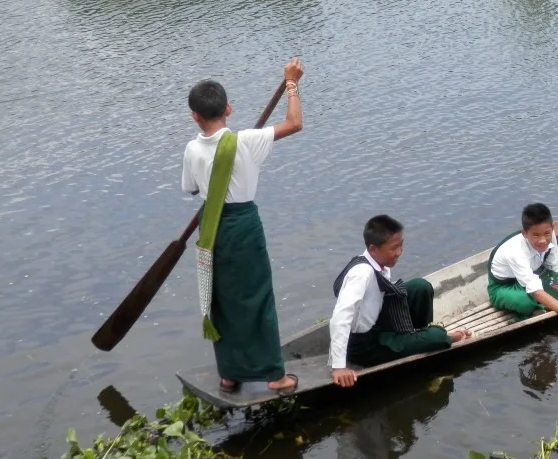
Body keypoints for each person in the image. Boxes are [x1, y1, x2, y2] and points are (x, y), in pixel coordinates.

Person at [181, 58, 304, 396]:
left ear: (195, 116)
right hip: (244, 226)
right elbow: (295, 123)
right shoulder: (247, 141)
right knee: (257, 297)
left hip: (212, 229)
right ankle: (274, 376)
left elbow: (191, 189)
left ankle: (230, 375)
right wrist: (291, 84)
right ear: (229, 108)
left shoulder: (191, 149)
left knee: (223, 300)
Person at [329, 215, 471, 388]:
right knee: (438, 336)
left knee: (420, 287)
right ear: (373, 249)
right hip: (364, 346)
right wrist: (339, 367)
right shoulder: (361, 274)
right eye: (394, 248)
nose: (399, 252)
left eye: (401, 244)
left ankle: (418, 336)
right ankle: (431, 339)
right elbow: (340, 318)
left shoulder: (377, 262)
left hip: (378, 321)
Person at [487, 203, 558, 332]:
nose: (542, 240)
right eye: (536, 235)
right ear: (525, 233)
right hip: (507, 286)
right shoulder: (515, 251)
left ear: (552, 228)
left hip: (539, 274)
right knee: (525, 302)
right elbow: (536, 291)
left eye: (547, 233)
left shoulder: (550, 236)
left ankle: (545, 305)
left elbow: (556, 266)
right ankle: (535, 309)